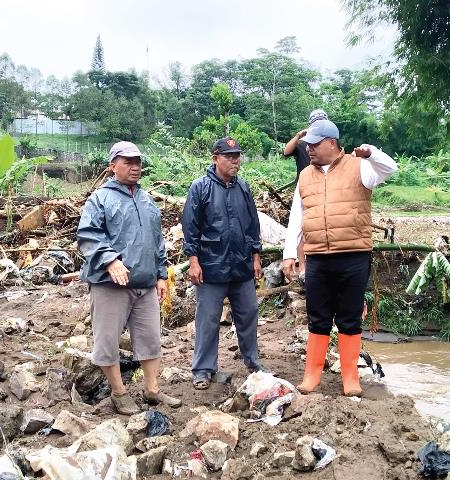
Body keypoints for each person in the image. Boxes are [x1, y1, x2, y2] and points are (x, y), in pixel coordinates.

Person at [282, 120, 397, 397]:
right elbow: (297, 217)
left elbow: (390, 168)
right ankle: (312, 375)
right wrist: (289, 254)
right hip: (319, 257)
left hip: (353, 256)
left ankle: (350, 378)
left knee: (349, 318)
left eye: (315, 144)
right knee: (318, 317)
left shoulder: (359, 167)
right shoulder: (305, 176)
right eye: (307, 144)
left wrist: (371, 153)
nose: (308, 149)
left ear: (332, 143)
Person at [77, 141, 181, 415]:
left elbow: (156, 241)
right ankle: (119, 392)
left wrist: (161, 275)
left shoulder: (146, 200)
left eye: (137, 162)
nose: (135, 166)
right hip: (110, 284)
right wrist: (110, 260)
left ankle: (152, 390)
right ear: (113, 166)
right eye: (127, 162)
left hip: (145, 283)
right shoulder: (100, 199)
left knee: (150, 339)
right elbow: (88, 234)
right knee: (108, 338)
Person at [181, 137, 266, 390]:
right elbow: (190, 228)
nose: (235, 161)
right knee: (207, 319)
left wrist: (256, 257)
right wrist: (193, 261)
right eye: (229, 156)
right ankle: (203, 369)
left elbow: (252, 225)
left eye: (237, 156)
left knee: (249, 313)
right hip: (211, 266)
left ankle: (252, 362)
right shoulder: (201, 188)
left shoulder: (243, 188)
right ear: (215, 158)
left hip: (240, 266)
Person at [282, 109, 329, 276]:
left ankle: (321, 266)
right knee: (302, 226)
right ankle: (302, 267)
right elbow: (286, 151)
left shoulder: (329, 141)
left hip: (326, 185)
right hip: (305, 186)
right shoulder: (302, 144)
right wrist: (298, 136)